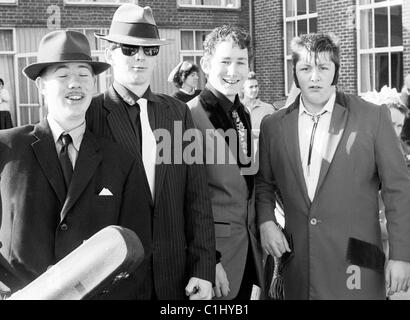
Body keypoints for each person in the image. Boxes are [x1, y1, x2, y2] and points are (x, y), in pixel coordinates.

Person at [255, 32, 410, 299]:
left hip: (357, 268)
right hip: (299, 268)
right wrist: (266, 221)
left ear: (335, 71)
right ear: (295, 73)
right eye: (305, 68)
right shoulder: (273, 125)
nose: (314, 77)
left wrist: (402, 256)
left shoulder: (373, 117)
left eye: (323, 67)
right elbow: (264, 185)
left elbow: (399, 190)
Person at [0, 30, 152, 299]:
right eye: (62, 75)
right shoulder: (7, 149)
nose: (75, 84)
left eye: (84, 75)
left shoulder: (121, 162)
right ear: (41, 86)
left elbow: (136, 249)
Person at [86, 4, 215, 300]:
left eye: (149, 50)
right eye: (130, 49)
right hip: (115, 277)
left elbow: (197, 195)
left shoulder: (177, 112)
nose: (140, 57)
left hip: (176, 277)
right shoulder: (91, 114)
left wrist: (204, 267)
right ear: (110, 54)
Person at [187, 25, 264, 300]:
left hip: (248, 253)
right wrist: (210, 260)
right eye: (225, 62)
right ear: (206, 65)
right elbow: (187, 200)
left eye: (240, 62)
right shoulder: (188, 116)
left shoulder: (242, 113)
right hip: (214, 262)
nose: (233, 71)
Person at [241, 71, 276, 154]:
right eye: (251, 87)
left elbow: (274, 135)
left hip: (261, 158)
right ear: (243, 89)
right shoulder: (235, 109)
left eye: (256, 86)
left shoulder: (268, 109)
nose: (254, 89)